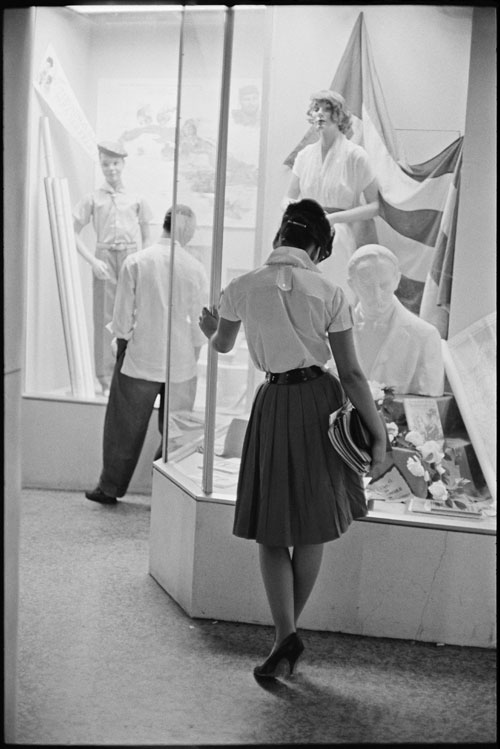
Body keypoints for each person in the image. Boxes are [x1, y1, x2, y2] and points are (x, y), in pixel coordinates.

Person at [199, 198, 386, 678]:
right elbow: (352, 374)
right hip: (321, 402)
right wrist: (380, 436)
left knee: (271, 525)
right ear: (318, 246)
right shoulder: (329, 291)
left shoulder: (241, 287)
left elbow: (221, 344)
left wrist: (208, 329)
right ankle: (286, 636)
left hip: (274, 402)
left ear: (281, 235)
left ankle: (285, 636)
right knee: (313, 523)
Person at [85, 204, 208, 505]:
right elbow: (199, 325)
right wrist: (193, 354)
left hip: (141, 356)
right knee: (176, 431)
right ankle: (168, 491)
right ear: (187, 232)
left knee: (123, 428)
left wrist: (123, 343)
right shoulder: (195, 267)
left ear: (163, 224)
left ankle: (110, 487)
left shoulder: (137, 261)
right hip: (181, 361)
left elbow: (123, 318)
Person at [73, 141, 153, 394]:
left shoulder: (136, 198)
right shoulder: (93, 199)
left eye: (116, 163)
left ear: (123, 164)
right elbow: (71, 231)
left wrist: (141, 259)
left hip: (130, 255)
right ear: (101, 165)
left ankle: (129, 373)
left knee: (132, 314)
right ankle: (105, 377)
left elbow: (147, 233)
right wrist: (93, 260)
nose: (111, 169)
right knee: (104, 316)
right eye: (106, 164)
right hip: (105, 255)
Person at [283, 90, 379, 301]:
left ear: (339, 116)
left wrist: (334, 219)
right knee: (302, 293)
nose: (320, 114)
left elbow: (375, 206)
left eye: (327, 110)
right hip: (305, 232)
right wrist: (298, 214)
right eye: (316, 109)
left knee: (334, 293)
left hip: (339, 234)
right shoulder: (305, 156)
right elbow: (289, 197)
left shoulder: (355, 155)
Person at [347, 244, 445, 396]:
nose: (377, 295)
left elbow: (429, 409)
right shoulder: (335, 334)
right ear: (352, 284)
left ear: (397, 280)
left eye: (384, 285)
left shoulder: (425, 336)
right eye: (367, 286)